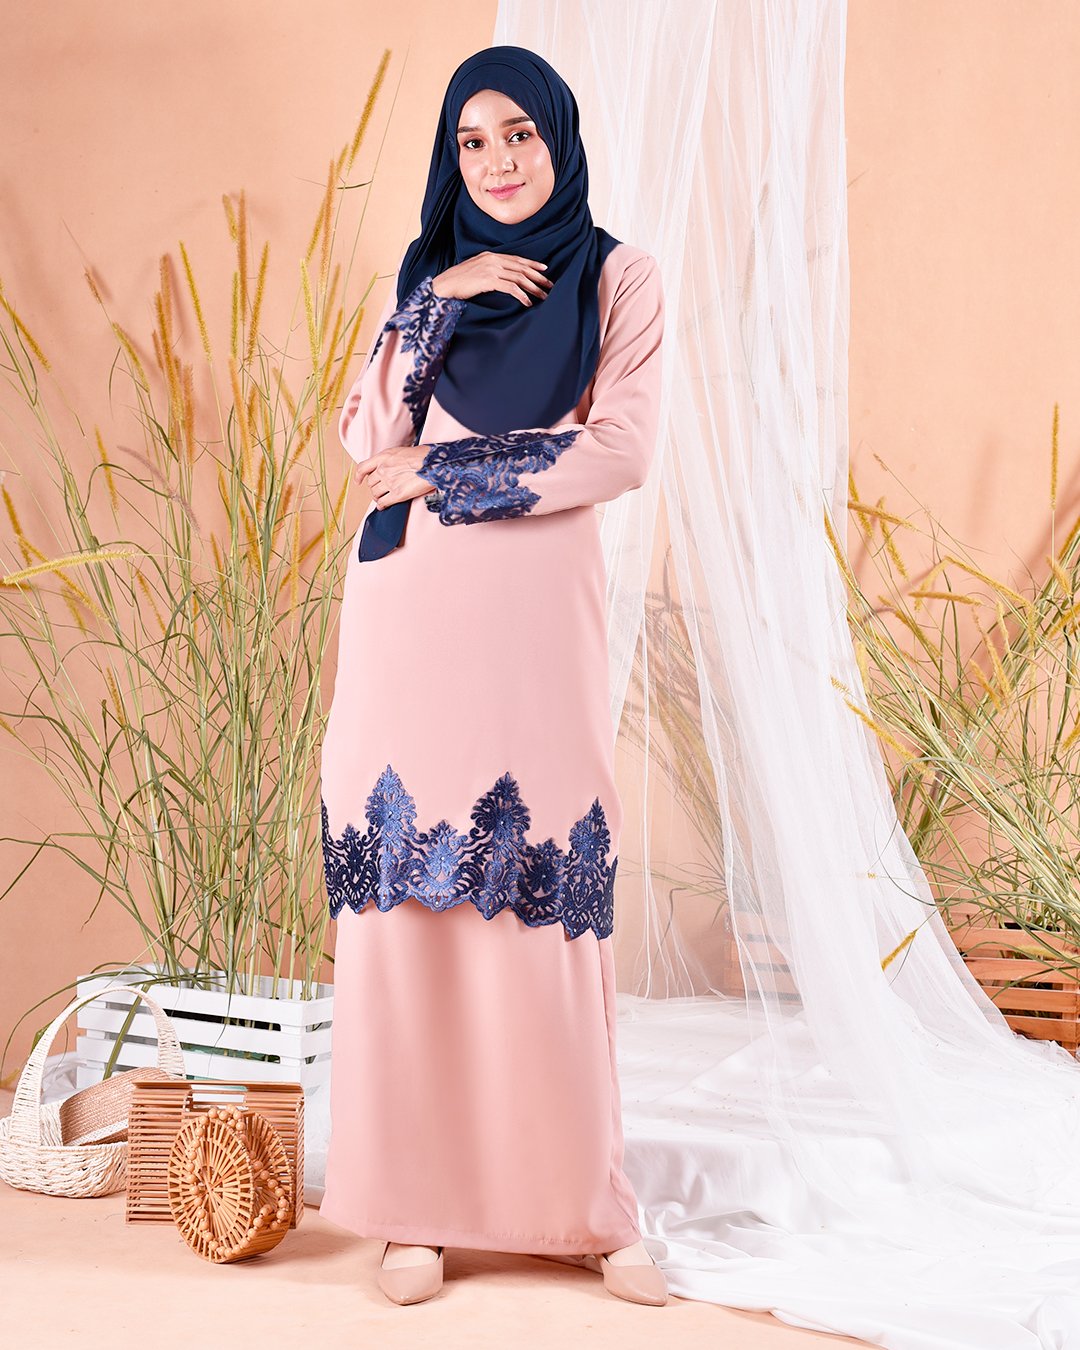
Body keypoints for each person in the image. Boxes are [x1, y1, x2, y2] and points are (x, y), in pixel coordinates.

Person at [318, 44, 667, 1308]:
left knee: (541, 900)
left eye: (519, 134)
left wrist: (447, 472)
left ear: (558, 140)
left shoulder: (620, 279)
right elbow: (370, 439)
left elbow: (617, 451)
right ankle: (413, 1209)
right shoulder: (429, 280)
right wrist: (438, 300)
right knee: (406, 910)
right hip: (407, 623)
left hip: (533, 627)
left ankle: (580, 1208)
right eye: (472, 143)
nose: (499, 162)